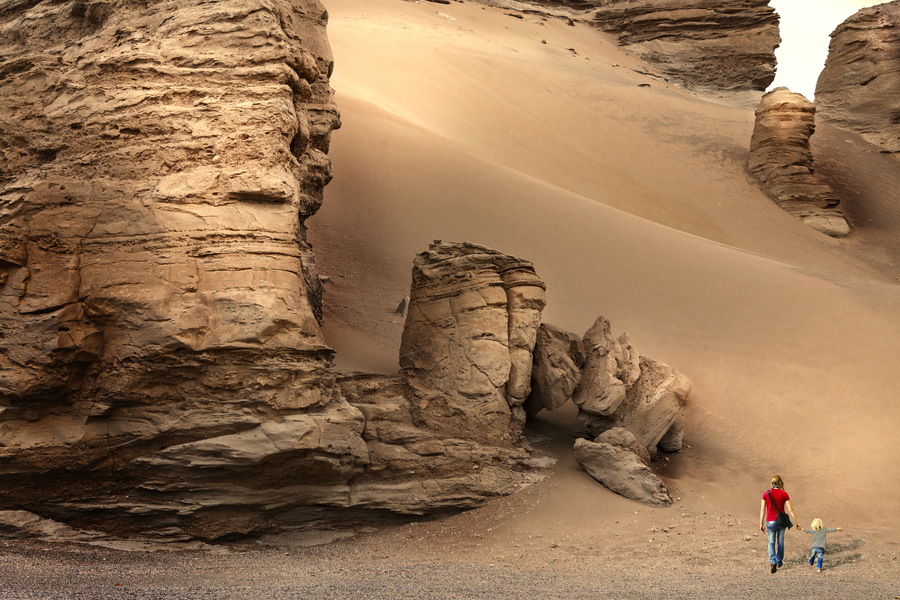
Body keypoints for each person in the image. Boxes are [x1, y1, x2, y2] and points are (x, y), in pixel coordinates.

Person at [759, 475, 799, 573]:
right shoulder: (784, 494)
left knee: (771, 542)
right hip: (781, 521)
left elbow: (763, 509)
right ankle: (779, 561)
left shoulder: (765, 494)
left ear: (772, 483)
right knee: (780, 541)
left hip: (770, 521)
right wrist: (797, 521)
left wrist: (761, 523)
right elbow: (790, 509)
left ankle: (772, 561)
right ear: (781, 483)